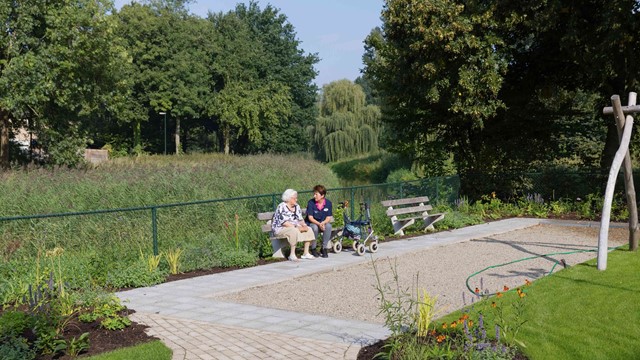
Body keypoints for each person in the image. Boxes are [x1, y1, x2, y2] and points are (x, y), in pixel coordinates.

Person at [271, 189, 316, 261]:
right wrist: (297, 227)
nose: (296, 199)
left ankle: (306, 253)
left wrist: (304, 225)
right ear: (289, 198)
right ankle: (292, 254)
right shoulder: (282, 206)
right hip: (281, 229)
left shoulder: (297, 206)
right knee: (293, 231)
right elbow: (284, 222)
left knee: (309, 229)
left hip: (294, 227)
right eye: (295, 198)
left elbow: (300, 219)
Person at [305, 184, 333, 258]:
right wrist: (319, 224)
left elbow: (328, 217)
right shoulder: (311, 203)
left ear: (322, 195)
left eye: (316, 194)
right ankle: (313, 248)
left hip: (322, 223)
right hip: (312, 223)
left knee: (329, 226)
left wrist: (323, 223)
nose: (314, 196)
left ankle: (324, 248)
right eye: (314, 194)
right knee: (315, 227)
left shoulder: (328, 203)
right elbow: (310, 218)